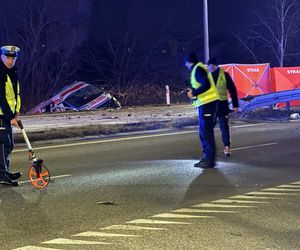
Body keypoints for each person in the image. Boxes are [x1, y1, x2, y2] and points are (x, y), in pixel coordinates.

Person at [185, 53, 219, 168]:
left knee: (206, 133)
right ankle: (207, 158)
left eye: (186, 63)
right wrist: (194, 90)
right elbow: (203, 84)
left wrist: (193, 93)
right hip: (206, 104)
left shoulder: (198, 69)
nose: (185, 65)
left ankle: (209, 160)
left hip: (208, 104)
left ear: (189, 62)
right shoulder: (199, 68)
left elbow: (206, 85)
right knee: (204, 132)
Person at [207, 58, 239, 157]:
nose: (210, 67)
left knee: (224, 127)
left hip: (222, 106)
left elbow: (232, 90)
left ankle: (227, 147)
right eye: (209, 65)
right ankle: (209, 148)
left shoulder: (224, 75)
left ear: (216, 66)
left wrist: (235, 104)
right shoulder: (206, 76)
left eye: (212, 65)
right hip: (210, 105)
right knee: (208, 128)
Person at [0, 45, 22, 186]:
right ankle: (2, 176)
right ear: (2, 57)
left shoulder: (12, 72)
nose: (10, 60)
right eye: (7, 57)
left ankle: (5, 172)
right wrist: (11, 117)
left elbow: (15, 95)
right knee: (3, 145)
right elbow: (1, 98)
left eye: (13, 58)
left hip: (8, 115)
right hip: (2, 115)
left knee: (9, 145)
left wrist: (17, 112)